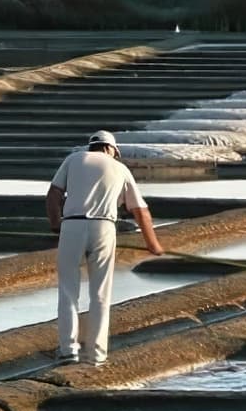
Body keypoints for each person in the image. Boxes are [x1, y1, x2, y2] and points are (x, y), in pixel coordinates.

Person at [45, 130, 163, 365]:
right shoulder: (120, 168)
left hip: (72, 226)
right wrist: (152, 244)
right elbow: (140, 210)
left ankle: (68, 350)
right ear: (111, 149)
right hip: (104, 228)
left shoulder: (73, 159)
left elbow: (53, 195)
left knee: (68, 290)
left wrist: (56, 224)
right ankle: (97, 354)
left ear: (93, 147)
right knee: (100, 294)